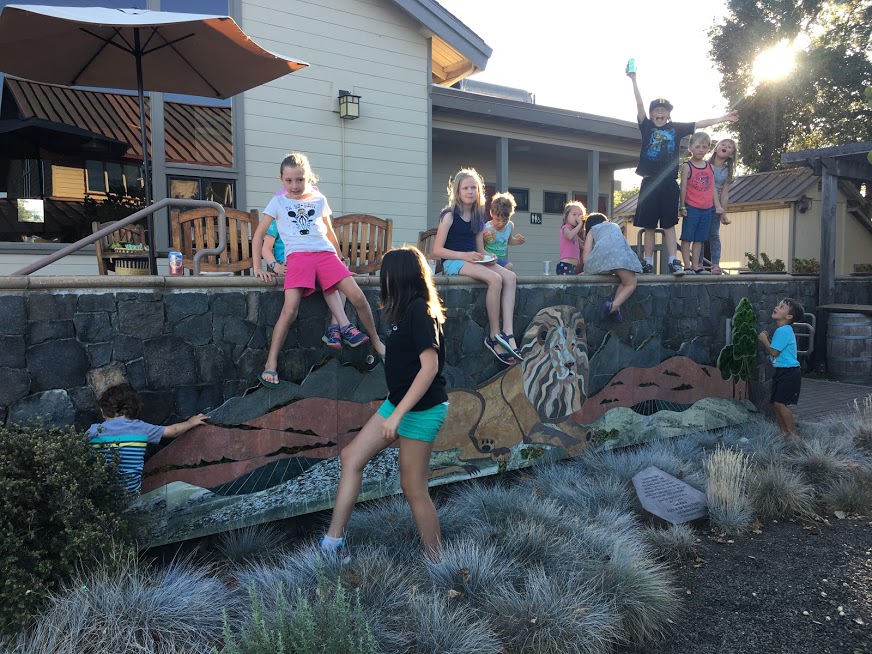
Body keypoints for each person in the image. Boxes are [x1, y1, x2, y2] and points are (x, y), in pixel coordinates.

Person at [321, 246, 449, 560]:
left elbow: (429, 368)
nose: (382, 281)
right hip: (398, 403)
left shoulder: (421, 310)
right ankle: (332, 544)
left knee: (413, 488)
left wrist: (397, 417)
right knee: (351, 458)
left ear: (400, 277)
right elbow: (400, 353)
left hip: (422, 409)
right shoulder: (402, 311)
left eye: (385, 275)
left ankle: (438, 562)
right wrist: (379, 344)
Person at [252, 152, 385, 386]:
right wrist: (257, 267)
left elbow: (329, 233)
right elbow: (259, 236)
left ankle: (376, 341)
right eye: (289, 180)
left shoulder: (319, 199)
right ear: (281, 180)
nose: (295, 185)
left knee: (358, 297)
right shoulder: (278, 202)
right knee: (289, 310)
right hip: (298, 258)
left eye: (300, 179)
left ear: (309, 178)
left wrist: (341, 262)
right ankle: (270, 363)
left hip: (325, 255)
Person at [627, 65, 738, 275]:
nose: (659, 113)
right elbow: (639, 103)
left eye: (663, 111)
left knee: (669, 225)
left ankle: (673, 261)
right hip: (650, 182)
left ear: (668, 115)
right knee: (649, 226)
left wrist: (723, 118)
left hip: (669, 184)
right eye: (656, 111)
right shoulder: (647, 126)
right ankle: (648, 261)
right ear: (651, 115)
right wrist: (634, 80)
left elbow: (701, 123)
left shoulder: (675, 128)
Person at [432, 168, 521, 365]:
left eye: (474, 187)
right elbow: (437, 250)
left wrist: (488, 257)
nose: (470, 191)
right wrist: (465, 255)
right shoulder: (448, 215)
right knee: (495, 279)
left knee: (510, 277)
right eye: (466, 187)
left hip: (472, 258)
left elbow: (479, 249)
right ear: (457, 191)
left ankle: (508, 332)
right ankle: (493, 335)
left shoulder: (477, 217)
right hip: (454, 261)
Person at [87, 383, 209, 494]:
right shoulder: (141, 427)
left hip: (101, 495)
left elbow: (77, 452)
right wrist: (191, 422)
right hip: (130, 494)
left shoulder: (93, 431)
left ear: (103, 411)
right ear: (134, 410)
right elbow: (174, 431)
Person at [261, 221, 356, 351]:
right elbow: (266, 248)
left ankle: (334, 329)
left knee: (339, 280)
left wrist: (340, 267)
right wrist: (275, 266)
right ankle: (338, 329)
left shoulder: (308, 219)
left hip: (310, 264)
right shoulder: (277, 220)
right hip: (290, 266)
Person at [758, 298, 805, 441]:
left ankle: (792, 435)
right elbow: (778, 349)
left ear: (789, 316)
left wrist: (763, 339)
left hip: (789, 372)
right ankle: (783, 434)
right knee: (775, 404)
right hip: (783, 371)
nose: (777, 307)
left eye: (782, 307)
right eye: (778, 305)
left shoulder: (783, 330)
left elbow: (774, 352)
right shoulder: (783, 330)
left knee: (780, 403)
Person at [582, 213, 642, 323]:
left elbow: (586, 253)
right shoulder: (613, 226)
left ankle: (616, 308)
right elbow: (620, 245)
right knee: (631, 282)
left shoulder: (592, 230)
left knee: (624, 281)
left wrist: (587, 268)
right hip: (618, 256)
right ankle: (611, 307)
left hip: (606, 258)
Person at [678, 131, 716, 275]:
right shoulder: (687, 166)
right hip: (691, 206)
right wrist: (682, 205)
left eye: (704, 147)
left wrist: (715, 205)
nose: (701, 149)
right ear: (690, 147)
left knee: (700, 239)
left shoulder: (709, 166)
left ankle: (696, 265)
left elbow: (712, 188)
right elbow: (683, 187)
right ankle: (687, 265)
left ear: (708, 149)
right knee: (688, 237)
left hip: (706, 208)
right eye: (697, 146)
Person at [706, 138, 736, 275]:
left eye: (729, 146)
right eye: (723, 144)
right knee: (700, 235)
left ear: (731, 154)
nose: (726, 146)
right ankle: (698, 264)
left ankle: (716, 264)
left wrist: (724, 213)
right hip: (701, 202)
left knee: (713, 234)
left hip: (716, 206)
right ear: (716, 148)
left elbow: (724, 193)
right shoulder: (705, 165)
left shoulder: (727, 171)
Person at [483, 191, 526, 270]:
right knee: (509, 266)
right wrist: (485, 239)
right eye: (497, 219)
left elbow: (509, 240)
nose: (501, 224)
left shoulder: (510, 226)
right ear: (491, 213)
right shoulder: (487, 228)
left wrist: (517, 241)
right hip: (488, 259)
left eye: (505, 220)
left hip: (500, 259)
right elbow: (480, 246)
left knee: (507, 267)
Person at [558, 201, 585, 275]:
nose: (577, 217)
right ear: (565, 216)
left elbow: (583, 245)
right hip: (565, 265)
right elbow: (569, 236)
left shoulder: (575, 233)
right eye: (574, 214)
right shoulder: (565, 227)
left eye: (579, 215)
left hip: (573, 266)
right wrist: (579, 225)